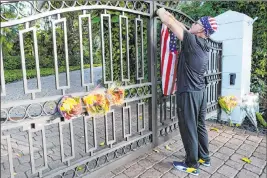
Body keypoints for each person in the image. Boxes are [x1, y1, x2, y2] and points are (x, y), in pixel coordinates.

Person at [157, 8, 218, 176]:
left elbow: (168, 21)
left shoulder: (191, 41)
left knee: (188, 127)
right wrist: (175, 20)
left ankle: (192, 164)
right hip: (200, 92)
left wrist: (160, 10)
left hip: (189, 93)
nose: (193, 23)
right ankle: (204, 158)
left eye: (197, 22)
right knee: (199, 126)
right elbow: (179, 25)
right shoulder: (204, 44)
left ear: (202, 30)